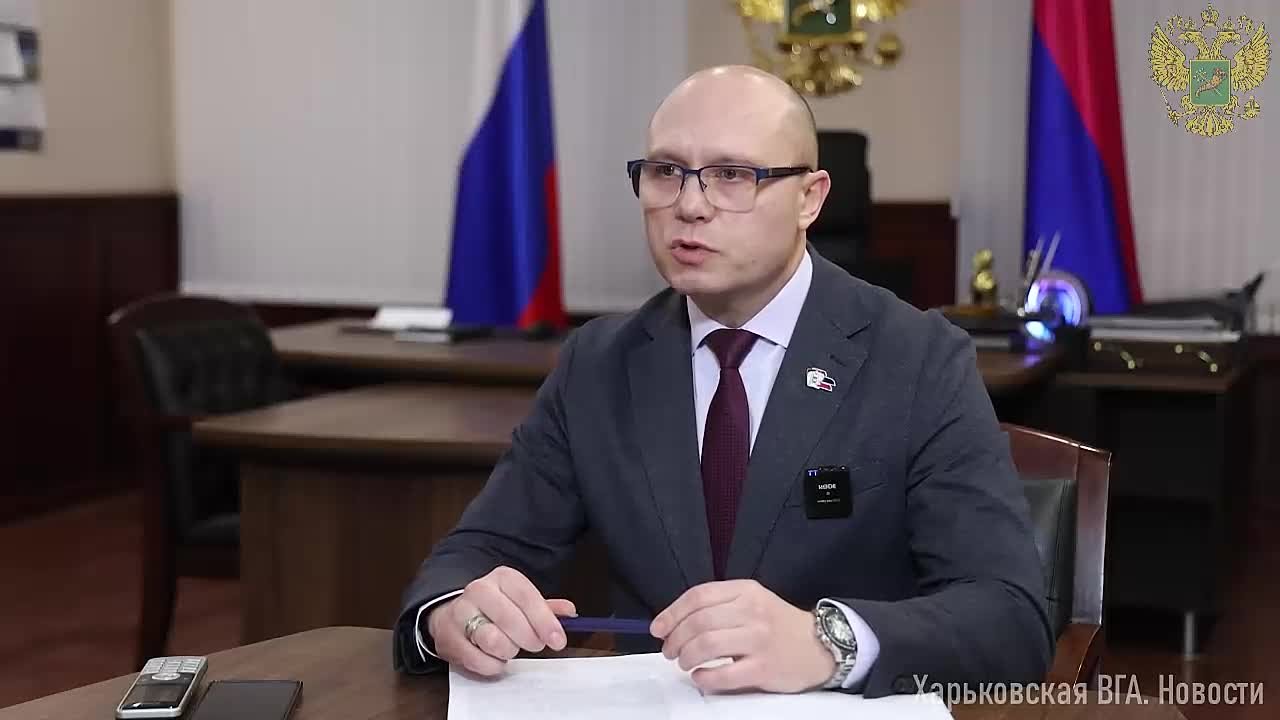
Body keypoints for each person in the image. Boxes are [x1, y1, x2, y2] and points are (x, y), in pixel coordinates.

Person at [392, 64, 1052, 697]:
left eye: (732, 175)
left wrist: (829, 643)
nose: (689, 205)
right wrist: (451, 611)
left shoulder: (917, 358)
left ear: (810, 198)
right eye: (665, 172)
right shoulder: (598, 364)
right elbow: (477, 552)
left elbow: (1009, 615)